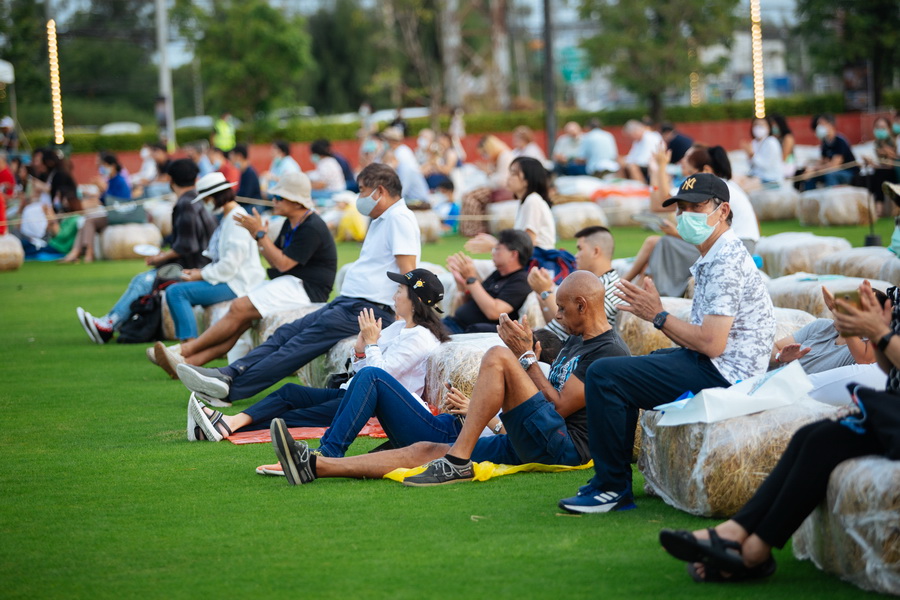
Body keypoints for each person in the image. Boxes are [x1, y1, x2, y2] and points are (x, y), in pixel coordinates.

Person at [268, 272, 631, 486]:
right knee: (421, 452)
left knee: (498, 356)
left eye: (565, 309)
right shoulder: (575, 341)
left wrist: (525, 357)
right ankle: (315, 465)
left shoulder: (607, 351)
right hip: (531, 436)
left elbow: (561, 407)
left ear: (583, 305)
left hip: (562, 447)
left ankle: (457, 459)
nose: (560, 316)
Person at [559, 173, 775, 513]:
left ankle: (612, 488)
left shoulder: (726, 261)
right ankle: (611, 481)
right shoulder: (716, 255)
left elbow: (712, 343)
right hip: (718, 365)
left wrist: (657, 315)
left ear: (722, 211)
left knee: (604, 374)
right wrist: (656, 317)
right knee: (623, 372)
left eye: (696, 207)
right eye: (682, 208)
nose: (685, 215)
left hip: (724, 373)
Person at [658, 280, 899, 583]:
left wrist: (875, 331)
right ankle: (745, 542)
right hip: (887, 405)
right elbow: (889, 367)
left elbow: (868, 361)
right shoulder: (877, 305)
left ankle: (747, 550)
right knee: (811, 436)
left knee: (820, 441)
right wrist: (880, 331)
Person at [174, 163, 420, 406]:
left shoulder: (399, 218)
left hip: (369, 309)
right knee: (286, 332)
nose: (360, 197)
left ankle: (231, 390)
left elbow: (408, 272)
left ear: (380, 191)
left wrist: (405, 322)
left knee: (298, 344)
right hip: (350, 302)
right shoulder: (383, 219)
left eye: (363, 191)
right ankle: (229, 372)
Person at [188, 269, 448, 441]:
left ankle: (224, 425)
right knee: (290, 393)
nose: (393, 296)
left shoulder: (421, 338)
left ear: (413, 300)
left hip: (373, 407)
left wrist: (370, 344)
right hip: (354, 394)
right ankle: (227, 424)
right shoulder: (400, 327)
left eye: (400, 292)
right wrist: (360, 349)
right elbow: (363, 372)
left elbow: (380, 377)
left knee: (292, 418)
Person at [152, 171, 337, 377]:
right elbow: (274, 258)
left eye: (279, 197)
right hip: (292, 282)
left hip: (307, 288)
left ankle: (185, 350)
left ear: (295, 202)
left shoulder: (311, 226)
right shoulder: (292, 222)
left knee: (238, 307)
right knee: (241, 317)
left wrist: (260, 235)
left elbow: (283, 263)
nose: (272, 200)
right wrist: (261, 238)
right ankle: (189, 363)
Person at [76, 159, 217, 344]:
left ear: (171, 180)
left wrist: (159, 258)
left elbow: (186, 246)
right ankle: (109, 322)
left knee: (144, 280)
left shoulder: (185, 204)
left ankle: (109, 325)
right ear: (195, 178)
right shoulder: (198, 200)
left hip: (194, 269)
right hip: (203, 266)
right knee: (144, 279)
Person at [626, 144, 760, 296]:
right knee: (657, 244)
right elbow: (659, 205)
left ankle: (630, 288)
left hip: (740, 245)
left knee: (662, 244)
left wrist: (660, 168)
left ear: (706, 170)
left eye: (689, 173)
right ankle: (626, 288)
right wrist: (656, 172)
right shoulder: (717, 188)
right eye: (682, 209)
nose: (686, 176)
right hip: (739, 244)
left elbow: (660, 202)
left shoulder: (713, 190)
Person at [164, 173, 265, 342]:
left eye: (205, 200)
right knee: (177, 289)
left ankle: (188, 345)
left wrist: (200, 275)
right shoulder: (229, 217)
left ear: (213, 198)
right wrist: (200, 272)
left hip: (238, 283)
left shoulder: (236, 220)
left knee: (176, 292)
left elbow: (229, 266)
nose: (205, 205)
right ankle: (187, 344)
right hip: (230, 279)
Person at [770, 286, 887, 404]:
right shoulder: (821, 325)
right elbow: (773, 348)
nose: (847, 305)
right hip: (769, 382)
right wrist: (780, 358)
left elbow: (867, 358)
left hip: (790, 397)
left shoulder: (859, 353)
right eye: (850, 299)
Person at [528, 226, 623, 339]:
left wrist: (546, 292)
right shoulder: (594, 283)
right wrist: (542, 295)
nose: (576, 256)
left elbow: (571, 328)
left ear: (595, 251)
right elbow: (557, 323)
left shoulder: (609, 287)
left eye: (580, 249)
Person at [442, 229, 533, 334]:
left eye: (497, 249)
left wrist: (471, 279)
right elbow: (468, 304)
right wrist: (463, 286)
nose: (493, 253)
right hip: (454, 323)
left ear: (513, 254)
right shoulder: (498, 274)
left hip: (467, 331)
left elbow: (494, 312)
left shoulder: (521, 281)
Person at [465, 156, 555, 254]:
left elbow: (529, 244)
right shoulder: (526, 202)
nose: (508, 177)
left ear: (526, 180)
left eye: (513, 174)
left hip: (538, 263)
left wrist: (495, 245)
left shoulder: (532, 201)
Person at [459, 135, 515, 237]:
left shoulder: (505, 156)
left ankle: (475, 230)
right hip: (494, 188)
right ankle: (472, 229)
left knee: (469, 198)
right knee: (467, 196)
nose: (484, 156)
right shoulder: (498, 158)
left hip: (502, 191)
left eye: (484, 153)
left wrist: (488, 173)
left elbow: (502, 181)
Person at [803, 114, 858, 190]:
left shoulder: (840, 141)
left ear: (830, 125)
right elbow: (823, 161)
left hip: (848, 173)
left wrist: (815, 169)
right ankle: (809, 198)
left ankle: (831, 197)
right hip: (832, 171)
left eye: (821, 124)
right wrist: (810, 169)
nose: (818, 127)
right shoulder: (825, 143)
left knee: (830, 174)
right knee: (810, 176)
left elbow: (834, 166)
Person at [855, 116, 898, 214]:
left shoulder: (894, 142)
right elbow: (878, 164)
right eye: (878, 127)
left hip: (892, 173)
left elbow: (890, 166)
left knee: (879, 174)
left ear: (889, 129)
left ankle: (879, 208)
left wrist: (887, 154)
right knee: (860, 179)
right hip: (879, 171)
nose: (880, 130)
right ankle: (863, 209)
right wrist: (869, 162)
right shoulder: (876, 144)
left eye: (883, 128)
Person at [60, 184, 108, 264]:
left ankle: (88, 251)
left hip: (108, 216)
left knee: (88, 221)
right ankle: (75, 251)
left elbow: (100, 200)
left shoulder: (96, 197)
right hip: (96, 217)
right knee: (85, 224)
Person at [742, 116, 784, 185]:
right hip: (756, 176)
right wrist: (749, 155)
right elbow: (751, 166)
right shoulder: (754, 142)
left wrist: (752, 154)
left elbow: (766, 166)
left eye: (762, 125)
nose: (758, 127)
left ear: (768, 127)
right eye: (756, 124)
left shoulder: (771, 142)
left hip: (771, 179)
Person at [621, 120, 664, 184]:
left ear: (635, 132)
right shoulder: (637, 140)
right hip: (645, 165)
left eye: (630, 135)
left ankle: (641, 187)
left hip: (653, 165)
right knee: (621, 162)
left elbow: (645, 159)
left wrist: (628, 162)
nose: (630, 138)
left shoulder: (650, 137)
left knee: (632, 167)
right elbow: (631, 156)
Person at [770, 113, 796, 178]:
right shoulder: (772, 138)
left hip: (787, 166)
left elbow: (784, 157)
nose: (772, 126)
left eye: (773, 124)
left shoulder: (788, 137)